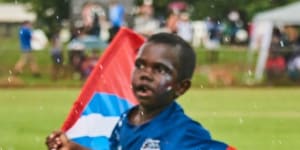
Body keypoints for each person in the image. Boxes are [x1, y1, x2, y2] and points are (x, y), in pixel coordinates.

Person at [46, 33, 235, 150]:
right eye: (140, 65)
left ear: (181, 87)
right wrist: (73, 148)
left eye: (160, 70)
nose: (146, 75)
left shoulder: (184, 133)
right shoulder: (126, 120)